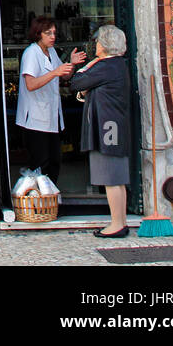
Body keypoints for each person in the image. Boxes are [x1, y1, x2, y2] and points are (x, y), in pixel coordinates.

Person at [72, 24, 132, 238]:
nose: (95, 45)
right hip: (112, 125)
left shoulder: (106, 66)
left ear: (105, 45)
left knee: (112, 176)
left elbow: (77, 82)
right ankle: (120, 221)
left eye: (98, 42)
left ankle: (117, 224)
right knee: (115, 176)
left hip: (108, 128)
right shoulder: (115, 66)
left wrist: (93, 63)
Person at [16, 17, 86, 186]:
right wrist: (55, 72)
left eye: (54, 33)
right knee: (41, 163)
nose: (53, 36)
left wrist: (72, 64)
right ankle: (39, 205)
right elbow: (31, 84)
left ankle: (50, 202)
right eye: (48, 33)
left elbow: (64, 75)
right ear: (38, 33)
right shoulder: (31, 53)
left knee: (54, 161)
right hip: (34, 119)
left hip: (52, 117)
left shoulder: (51, 51)